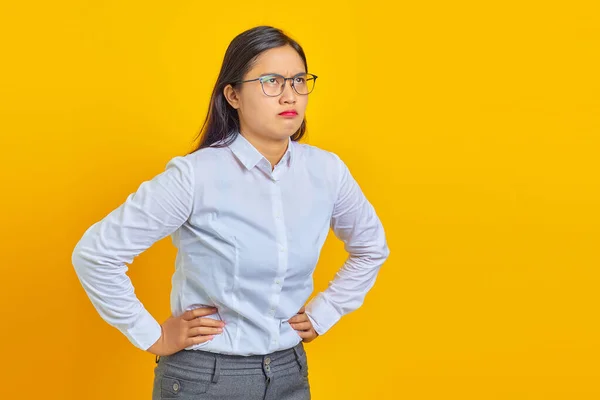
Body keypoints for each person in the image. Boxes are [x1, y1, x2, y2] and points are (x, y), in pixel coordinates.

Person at [71, 25, 390, 400]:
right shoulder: (196, 176)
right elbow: (96, 254)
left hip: (289, 371)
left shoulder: (326, 171)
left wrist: (327, 311)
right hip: (206, 379)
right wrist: (151, 334)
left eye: (299, 80)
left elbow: (371, 246)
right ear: (233, 95)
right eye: (271, 81)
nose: (289, 94)